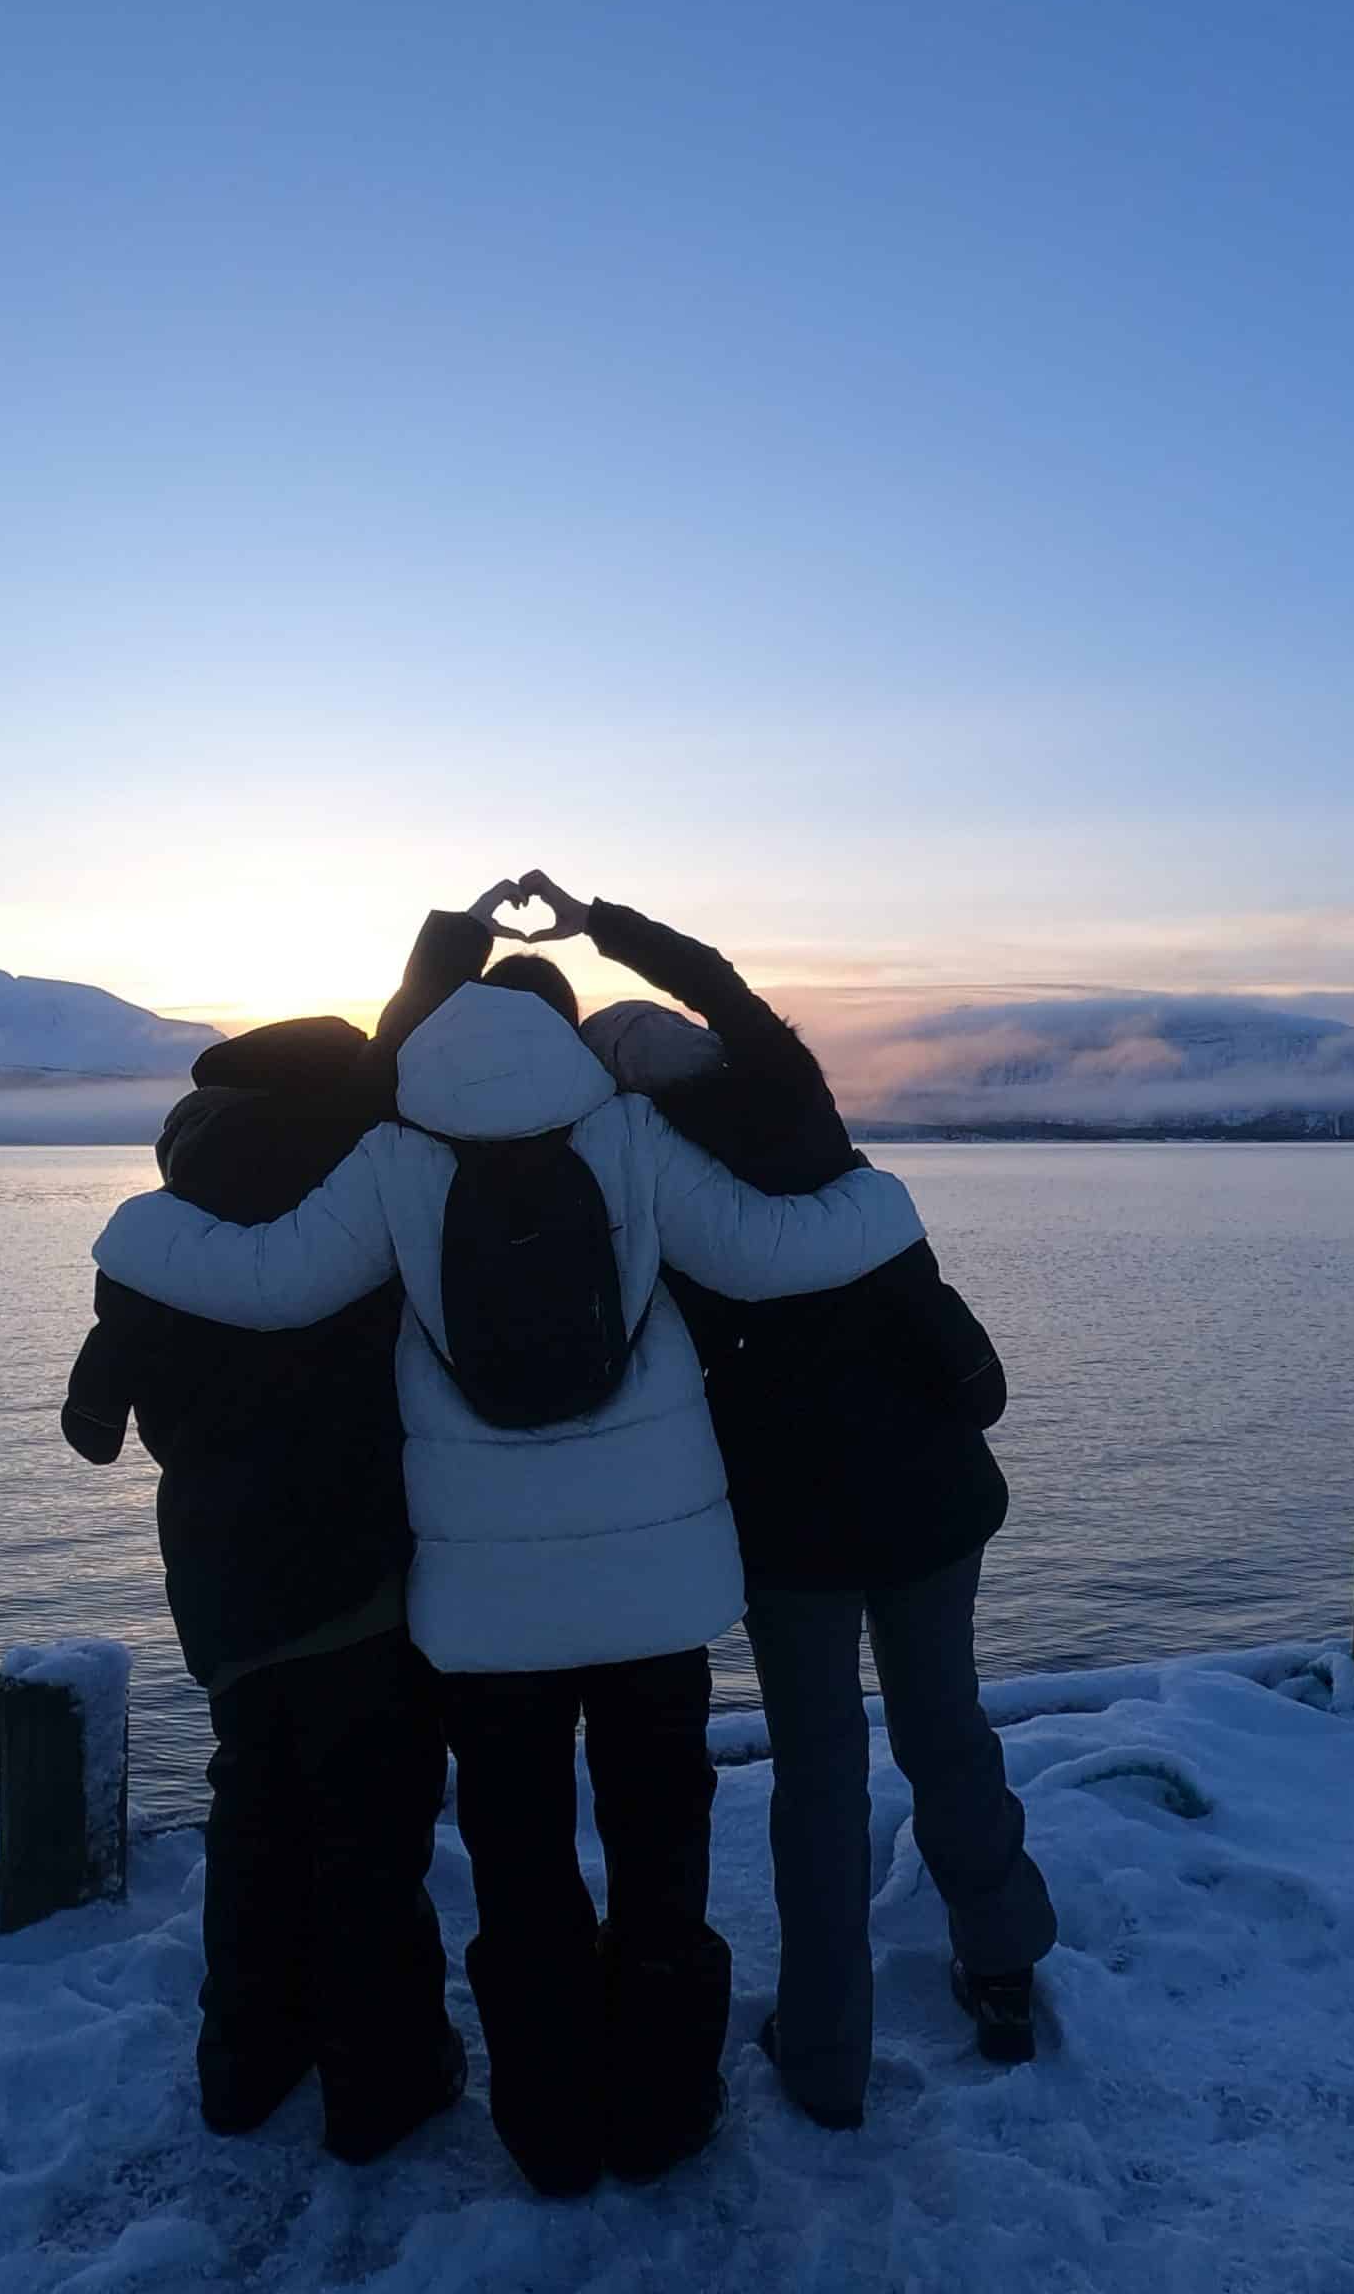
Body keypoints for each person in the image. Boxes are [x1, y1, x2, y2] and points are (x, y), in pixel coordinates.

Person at [89, 908, 929, 2196]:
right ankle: (660, 2107)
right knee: (659, 1853)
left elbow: (267, 1281)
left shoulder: (395, 1157)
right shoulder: (629, 1134)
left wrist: (130, 1232)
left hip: (484, 1606)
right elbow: (772, 1255)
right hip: (656, 1593)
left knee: (522, 1867)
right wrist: (886, 1199)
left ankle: (547, 2127)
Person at [513, 871, 1056, 2129]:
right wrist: (602, 923)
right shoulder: (793, 1095)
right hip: (929, 1493)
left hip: (791, 1524)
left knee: (819, 1777)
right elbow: (713, 976)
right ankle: (1005, 1965)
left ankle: (824, 2055)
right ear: (699, 1042)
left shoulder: (647, 1175)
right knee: (947, 1730)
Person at [59, 1015, 462, 2167]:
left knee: (257, 1813)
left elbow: (90, 1425)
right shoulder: (358, 1203)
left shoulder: (159, 1235)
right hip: (357, 1564)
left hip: (223, 1578)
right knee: (369, 1828)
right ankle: (381, 2082)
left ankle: (244, 2063)